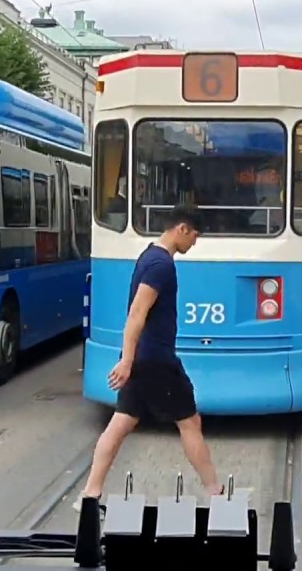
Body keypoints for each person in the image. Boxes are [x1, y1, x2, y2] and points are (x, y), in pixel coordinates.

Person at [77, 206, 222, 510]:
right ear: (182, 228)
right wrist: (128, 361)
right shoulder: (161, 265)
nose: (195, 243)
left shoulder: (149, 256)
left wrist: (130, 358)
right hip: (155, 360)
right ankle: (216, 491)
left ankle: (90, 494)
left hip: (143, 358)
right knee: (190, 421)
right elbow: (137, 313)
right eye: (195, 235)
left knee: (119, 425)